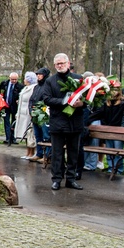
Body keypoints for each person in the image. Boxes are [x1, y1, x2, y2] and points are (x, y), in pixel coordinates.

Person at [38, 53, 84, 190]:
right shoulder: (50, 81)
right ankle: (57, 179)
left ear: (68, 63)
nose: (60, 65)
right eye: (58, 64)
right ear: (54, 65)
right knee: (57, 153)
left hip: (74, 122)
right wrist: (65, 102)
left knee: (73, 152)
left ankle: (71, 178)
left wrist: (81, 104)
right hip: (57, 121)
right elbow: (46, 98)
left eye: (62, 63)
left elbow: (87, 99)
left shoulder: (78, 79)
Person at [87, 80, 124, 174]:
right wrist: (86, 120)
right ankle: (111, 167)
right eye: (112, 89)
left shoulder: (123, 103)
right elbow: (99, 113)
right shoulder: (106, 103)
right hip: (107, 131)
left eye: (116, 89)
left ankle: (118, 169)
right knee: (109, 150)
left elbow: (119, 118)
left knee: (117, 150)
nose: (114, 91)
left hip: (118, 130)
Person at [14, 71, 38, 159]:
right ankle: (28, 152)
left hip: (28, 113)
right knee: (25, 134)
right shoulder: (25, 88)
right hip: (22, 113)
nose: (24, 80)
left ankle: (32, 152)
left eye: (25, 78)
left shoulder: (33, 88)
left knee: (30, 134)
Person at [29, 68, 50, 162]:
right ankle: (39, 153)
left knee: (46, 135)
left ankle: (47, 155)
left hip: (44, 113)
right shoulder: (36, 87)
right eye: (37, 74)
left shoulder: (48, 86)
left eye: (40, 74)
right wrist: (31, 110)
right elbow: (31, 99)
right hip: (35, 114)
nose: (38, 76)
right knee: (38, 135)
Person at [0, 72, 22, 145]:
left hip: (14, 106)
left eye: (15, 79)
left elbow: (21, 95)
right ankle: (8, 138)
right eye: (12, 79)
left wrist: (19, 99)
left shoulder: (20, 86)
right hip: (5, 105)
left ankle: (13, 138)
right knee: (6, 121)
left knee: (14, 122)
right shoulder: (4, 84)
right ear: (9, 78)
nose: (14, 81)